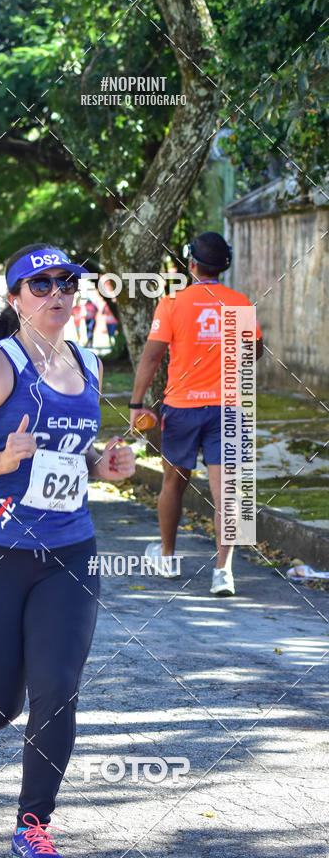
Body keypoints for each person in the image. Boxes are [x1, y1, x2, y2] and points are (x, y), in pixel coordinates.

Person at [0, 243, 135, 858]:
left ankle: (32, 828)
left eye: (67, 283)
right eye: (40, 285)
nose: (57, 294)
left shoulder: (89, 364)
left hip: (69, 552)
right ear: (15, 298)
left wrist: (103, 465)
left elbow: (72, 457)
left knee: (58, 690)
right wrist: (0, 460)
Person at [129, 232, 263, 597]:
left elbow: (152, 357)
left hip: (182, 409)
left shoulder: (172, 303)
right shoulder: (239, 302)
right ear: (224, 266)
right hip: (229, 409)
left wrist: (136, 404)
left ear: (191, 264)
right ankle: (223, 572)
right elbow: (254, 351)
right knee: (227, 493)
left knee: (173, 484)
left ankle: (168, 558)